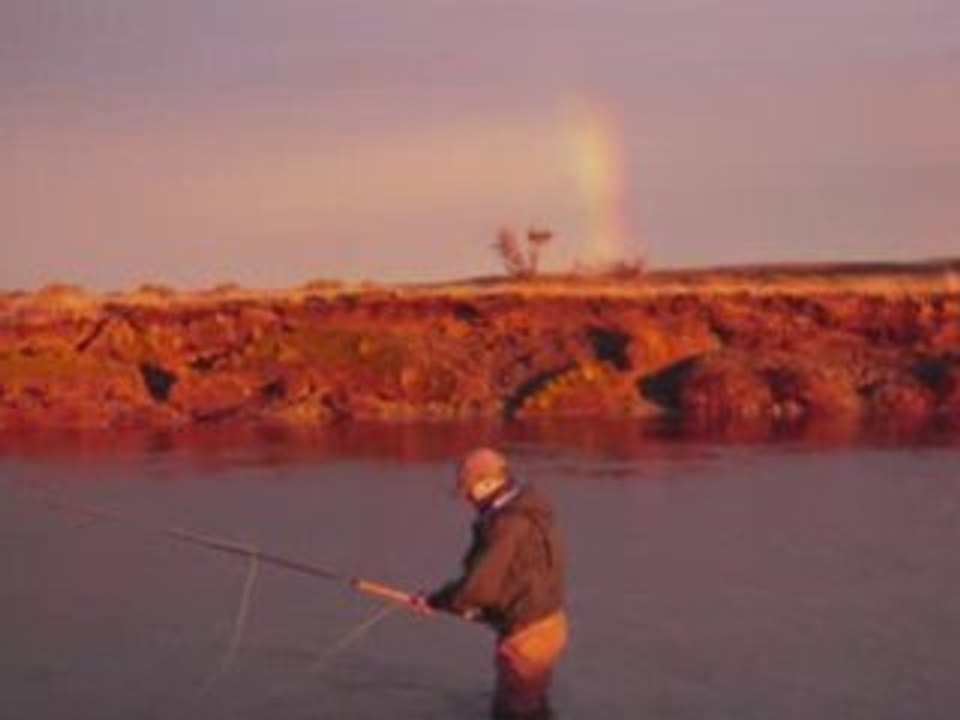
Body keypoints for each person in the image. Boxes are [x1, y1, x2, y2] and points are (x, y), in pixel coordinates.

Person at [413, 447, 568, 720]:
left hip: (526, 636)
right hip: (548, 625)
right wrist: (453, 603)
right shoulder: (530, 505)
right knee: (531, 705)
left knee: (516, 712)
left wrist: (437, 601)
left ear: (488, 482)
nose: (468, 499)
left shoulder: (506, 525)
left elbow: (478, 587)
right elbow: (509, 580)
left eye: (469, 490)